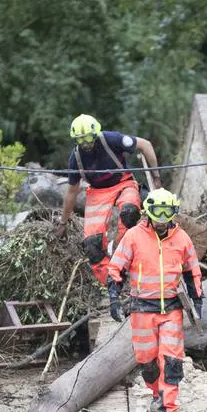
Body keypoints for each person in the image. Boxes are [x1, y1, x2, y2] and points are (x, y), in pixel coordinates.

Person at [106, 188, 203, 412]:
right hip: (141, 307)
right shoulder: (133, 237)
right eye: (157, 212)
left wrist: (197, 300)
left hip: (171, 307)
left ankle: (170, 409)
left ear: (174, 213)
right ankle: (155, 394)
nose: (161, 217)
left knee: (171, 358)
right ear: (147, 211)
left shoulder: (182, 239)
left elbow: (192, 272)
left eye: (166, 212)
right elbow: (116, 268)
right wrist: (114, 298)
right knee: (146, 360)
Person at [59, 114, 159, 286]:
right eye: (80, 140)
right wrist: (63, 222)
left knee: (129, 213)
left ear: (96, 133)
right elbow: (71, 193)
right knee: (92, 244)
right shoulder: (75, 159)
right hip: (97, 193)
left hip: (123, 183)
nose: (85, 143)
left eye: (89, 137)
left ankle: (122, 253)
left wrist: (156, 176)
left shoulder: (111, 139)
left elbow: (145, 145)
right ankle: (112, 284)